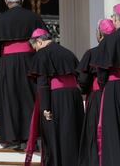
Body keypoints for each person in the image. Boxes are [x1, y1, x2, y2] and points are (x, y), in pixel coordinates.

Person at [0, 0, 46, 149]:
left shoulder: (0, 19)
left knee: (9, 98)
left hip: (8, 63)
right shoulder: (33, 17)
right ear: (22, 1)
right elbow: (44, 40)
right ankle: (30, 138)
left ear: (6, 2)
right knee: (29, 98)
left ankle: (13, 139)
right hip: (29, 61)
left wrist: (1, 54)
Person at [26, 28, 84, 166]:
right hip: (74, 96)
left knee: (55, 135)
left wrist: (45, 107)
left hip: (55, 98)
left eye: (35, 47)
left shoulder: (42, 55)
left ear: (39, 42)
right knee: (72, 132)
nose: (35, 51)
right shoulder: (68, 52)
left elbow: (43, 84)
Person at [91, 3, 120, 166]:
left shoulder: (109, 41)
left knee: (115, 130)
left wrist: (104, 89)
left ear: (115, 18)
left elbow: (102, 73)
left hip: (114, 89)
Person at [77, 19, 115, 166]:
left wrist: (85, 91)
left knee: (94, 132)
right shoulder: (119, 51)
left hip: (97, 97)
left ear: (99, 34)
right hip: (115, 96)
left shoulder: (92, 53)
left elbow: (83, 79)